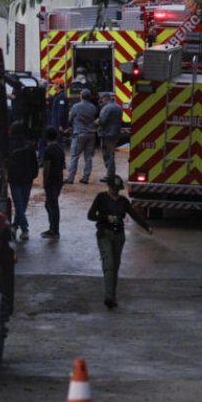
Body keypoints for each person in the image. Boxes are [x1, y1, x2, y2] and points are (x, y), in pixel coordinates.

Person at [87, 175, 153, 309]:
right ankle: (108, 296)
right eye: (113, 189)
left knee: (115, 266)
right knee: (109, 264)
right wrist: (105, 218)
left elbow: (134, 214)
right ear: (109, 187)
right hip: (104, 234)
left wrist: (146, 226)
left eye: (117, 190)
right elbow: (91, 215)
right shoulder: (101, 198)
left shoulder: (123, 201)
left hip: (118, 236)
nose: (115, 192)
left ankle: (112, 295)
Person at [7, 122, 39, 241]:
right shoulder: (29, 146)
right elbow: (34, 163)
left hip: (15, 178)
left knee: (19, 204)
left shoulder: (9, 145)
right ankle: (22, 228)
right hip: (27, 178)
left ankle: (17, 227)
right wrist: (33, 175)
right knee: (22, 204)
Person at [65, 88, 98, 184]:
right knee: (88, 157)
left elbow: (70, 118)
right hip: (91, 134)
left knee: (74, 156)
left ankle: (70, 178)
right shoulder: (93, 107)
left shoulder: (76, 107)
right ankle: (85, 178)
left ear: (81, 96)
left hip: (79, 134)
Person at [40, 127, 65, 239]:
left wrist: (45, 181)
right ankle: (53, 228)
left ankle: (54, 229)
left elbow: (46, 168)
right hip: (58, 179)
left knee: (52, 205)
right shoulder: (60, 149)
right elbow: (63, 165)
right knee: (51, 204)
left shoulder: (47, 150)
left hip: (51, 181)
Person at [96, 93, 123, 183]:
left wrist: (94, 123)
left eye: (102, 100)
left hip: (107, 134)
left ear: (105, 99)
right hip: (115, 134)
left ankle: (110, 175)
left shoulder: (106, 108)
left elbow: (102, 121)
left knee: (108, 155)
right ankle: (111, 173)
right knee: (111, 153)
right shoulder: (118, 107)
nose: (101, 101)